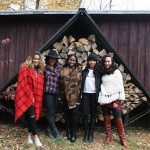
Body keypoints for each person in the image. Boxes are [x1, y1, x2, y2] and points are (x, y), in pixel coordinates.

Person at [98, 54, 128, 148]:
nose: (107, 63)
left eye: (108, 61)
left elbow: (120, 86)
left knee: (118, 119)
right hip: (105, 98)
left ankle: (122, 139)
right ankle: (108, 136)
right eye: (105, 61)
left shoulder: (116, 72)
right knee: (106, 118)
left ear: (112, 62)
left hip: (115, 99)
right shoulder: (102, 71)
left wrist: (117, 101)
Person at [15, 51, 44, 147]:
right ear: (31, 59)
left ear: (40, 60)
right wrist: (30, 96)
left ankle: (29, 135)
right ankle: (35, 137)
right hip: (27, 97)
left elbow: (40, 86)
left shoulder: (39, 72)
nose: (36, 60)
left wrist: (36, 98)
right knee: (31, 116)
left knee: (33, 116)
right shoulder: (25, 68)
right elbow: (23, 83)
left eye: (37, 59)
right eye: (34, 58)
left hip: (37, 98)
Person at [60, 54, 82, 143]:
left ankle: (74, 133)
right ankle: (68, 132)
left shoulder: (80, 70)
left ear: (76, 61)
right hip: (65, 95)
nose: (72, 62)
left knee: (74, 115)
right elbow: (60, 82)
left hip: (75, 97)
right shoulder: (63, 69)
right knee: (67, 115)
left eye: (74, 60)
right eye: (70, 60)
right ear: (68, 60)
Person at [80, 52, 101, 142]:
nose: (92, 62)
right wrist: (82, 68)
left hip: (94, 95)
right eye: (90, 60)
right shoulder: (84, 70)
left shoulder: (99, 71)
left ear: (96, 61)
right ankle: (86, 132)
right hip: (85, 94)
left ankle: (91, 133)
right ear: (88, 61)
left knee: (93, 114)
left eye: (94, 60)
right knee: (85, 114)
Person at [44, 49, 62, 140]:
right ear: (48, 59)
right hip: (48, 93)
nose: (53, 60)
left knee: (52, 112)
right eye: (51, 58)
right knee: (50, 112)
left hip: (56, 93)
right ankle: (55, 132)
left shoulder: (59, 68)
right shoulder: (43, 68)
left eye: (54, 59)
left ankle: (48, 130)